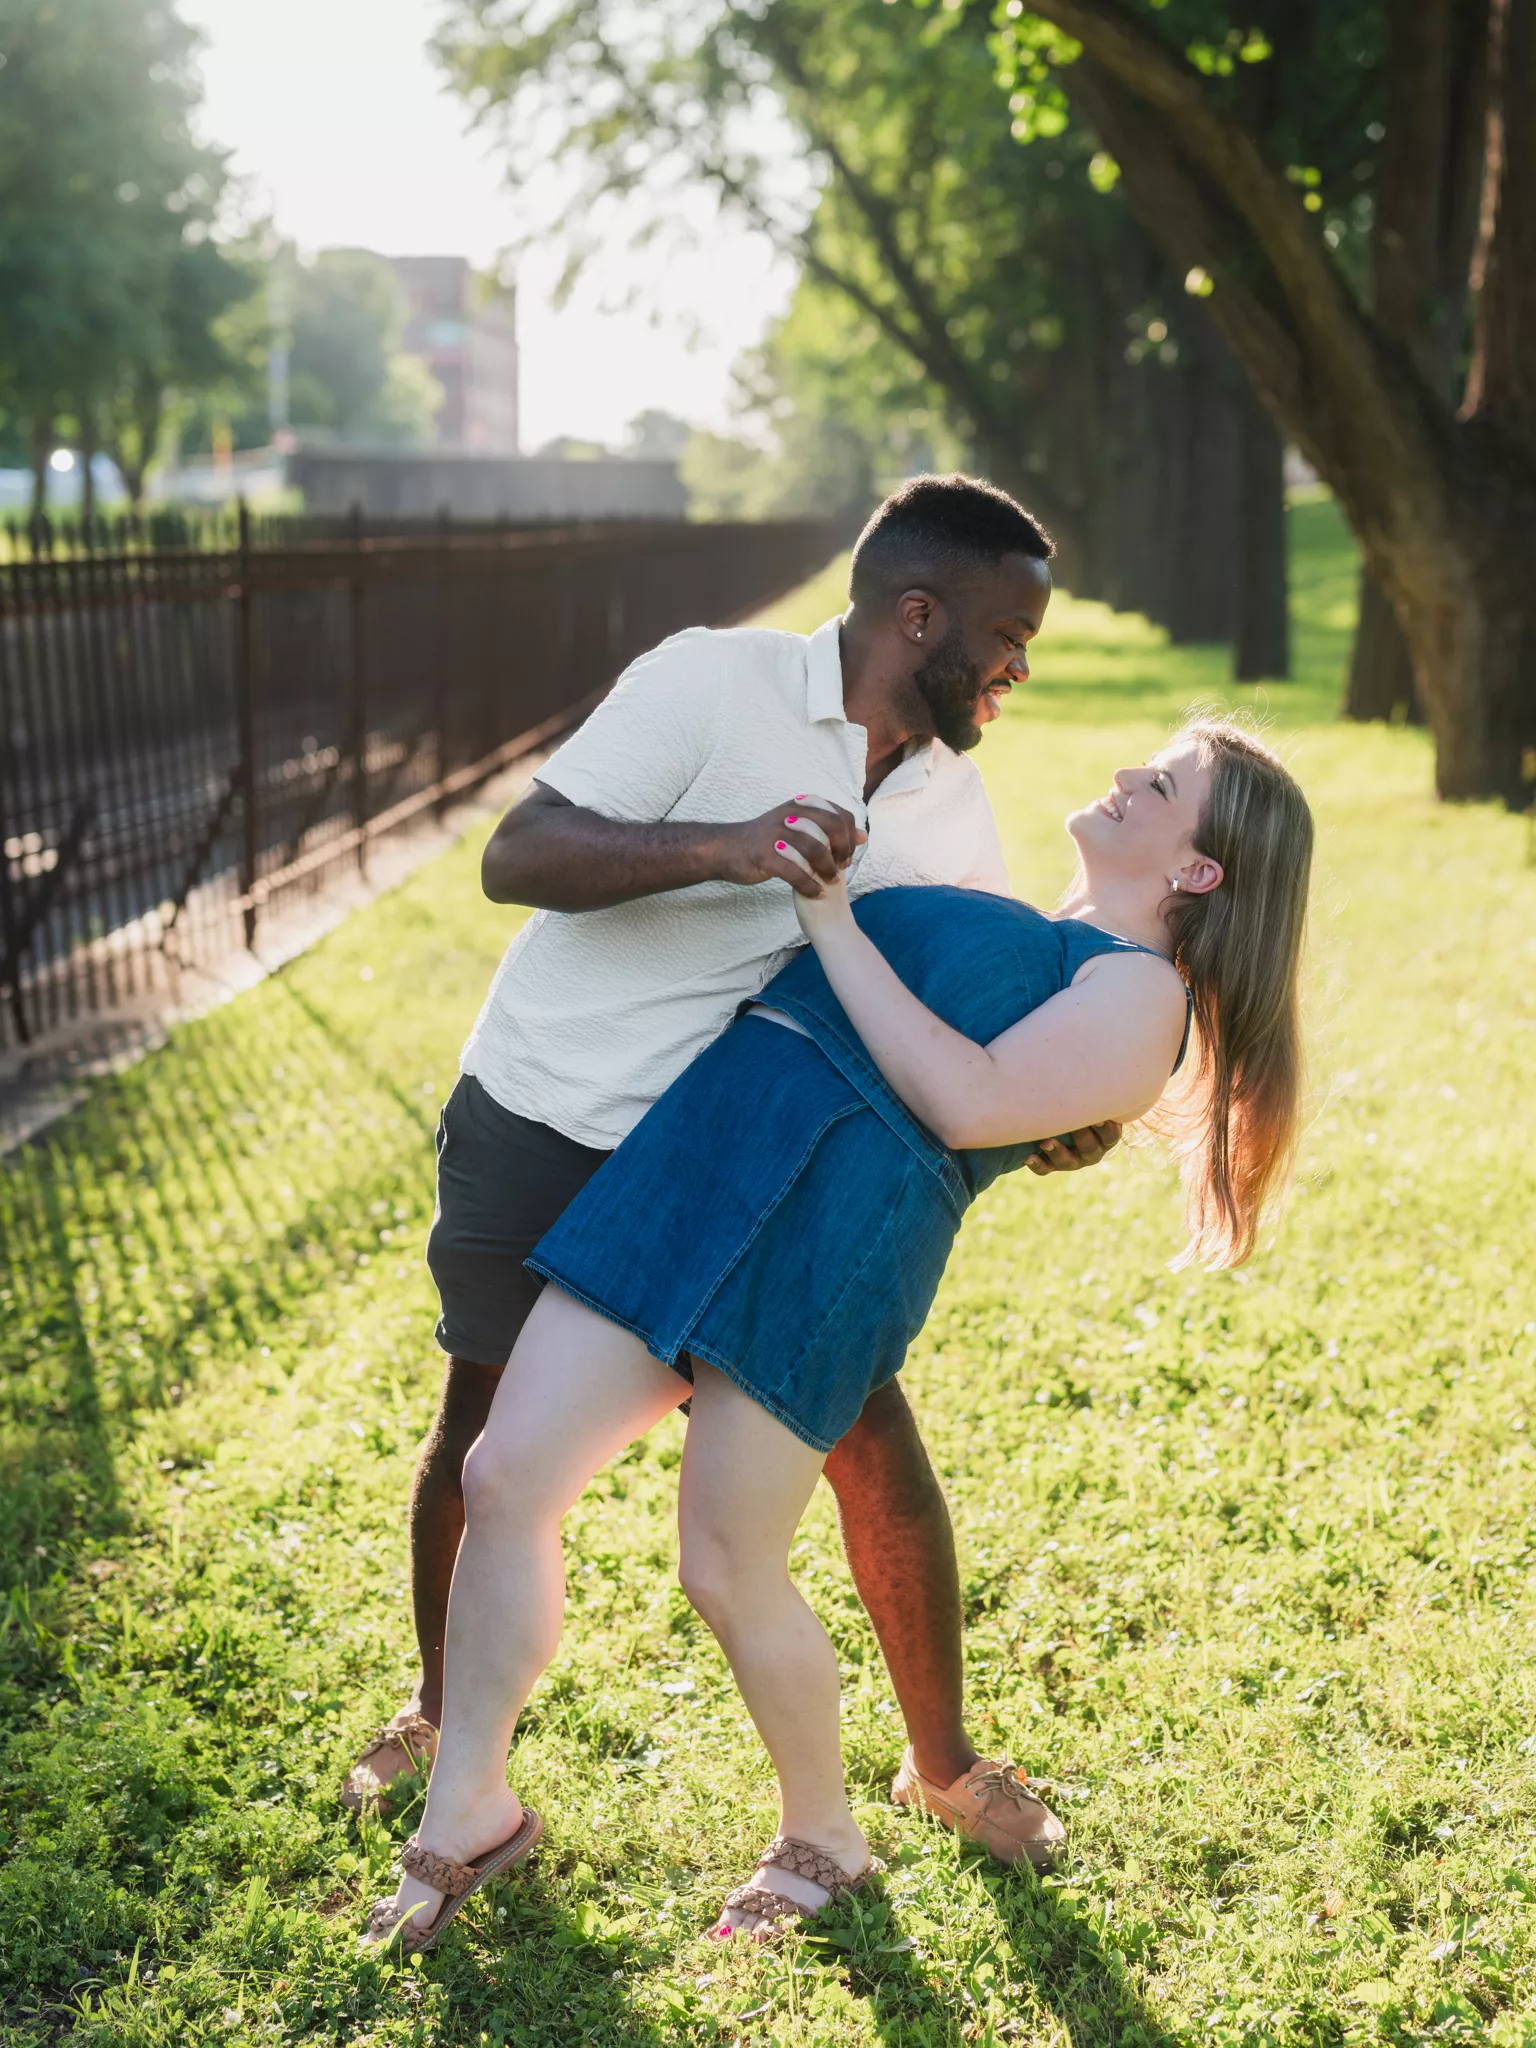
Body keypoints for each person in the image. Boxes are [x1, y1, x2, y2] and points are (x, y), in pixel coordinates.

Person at [363, 716, 1314, 1952]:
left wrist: (833, 920)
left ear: (1200, 871)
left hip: (830, 1240)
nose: (1130, 775)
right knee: (506, 1470)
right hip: (700, 1160)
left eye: (1166, 782)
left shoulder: (1144, 993)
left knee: (725, 1563)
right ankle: (471, 1799)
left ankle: (826, 1835)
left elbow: (968, 1097)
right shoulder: (1043, 931)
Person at [343, 475, 1116, 1869]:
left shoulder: (952, 809)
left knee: (870, 1434)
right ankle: (440, 1717)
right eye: (1006, 635)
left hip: (738, 1173)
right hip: (551, 1107)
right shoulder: (713, 683)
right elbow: (518, 855)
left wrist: (1053, 1114)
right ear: (916, 613)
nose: (1017, 668)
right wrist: (732, 848)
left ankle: (942, 1764)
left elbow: (951, 1014)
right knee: (485, 1432)